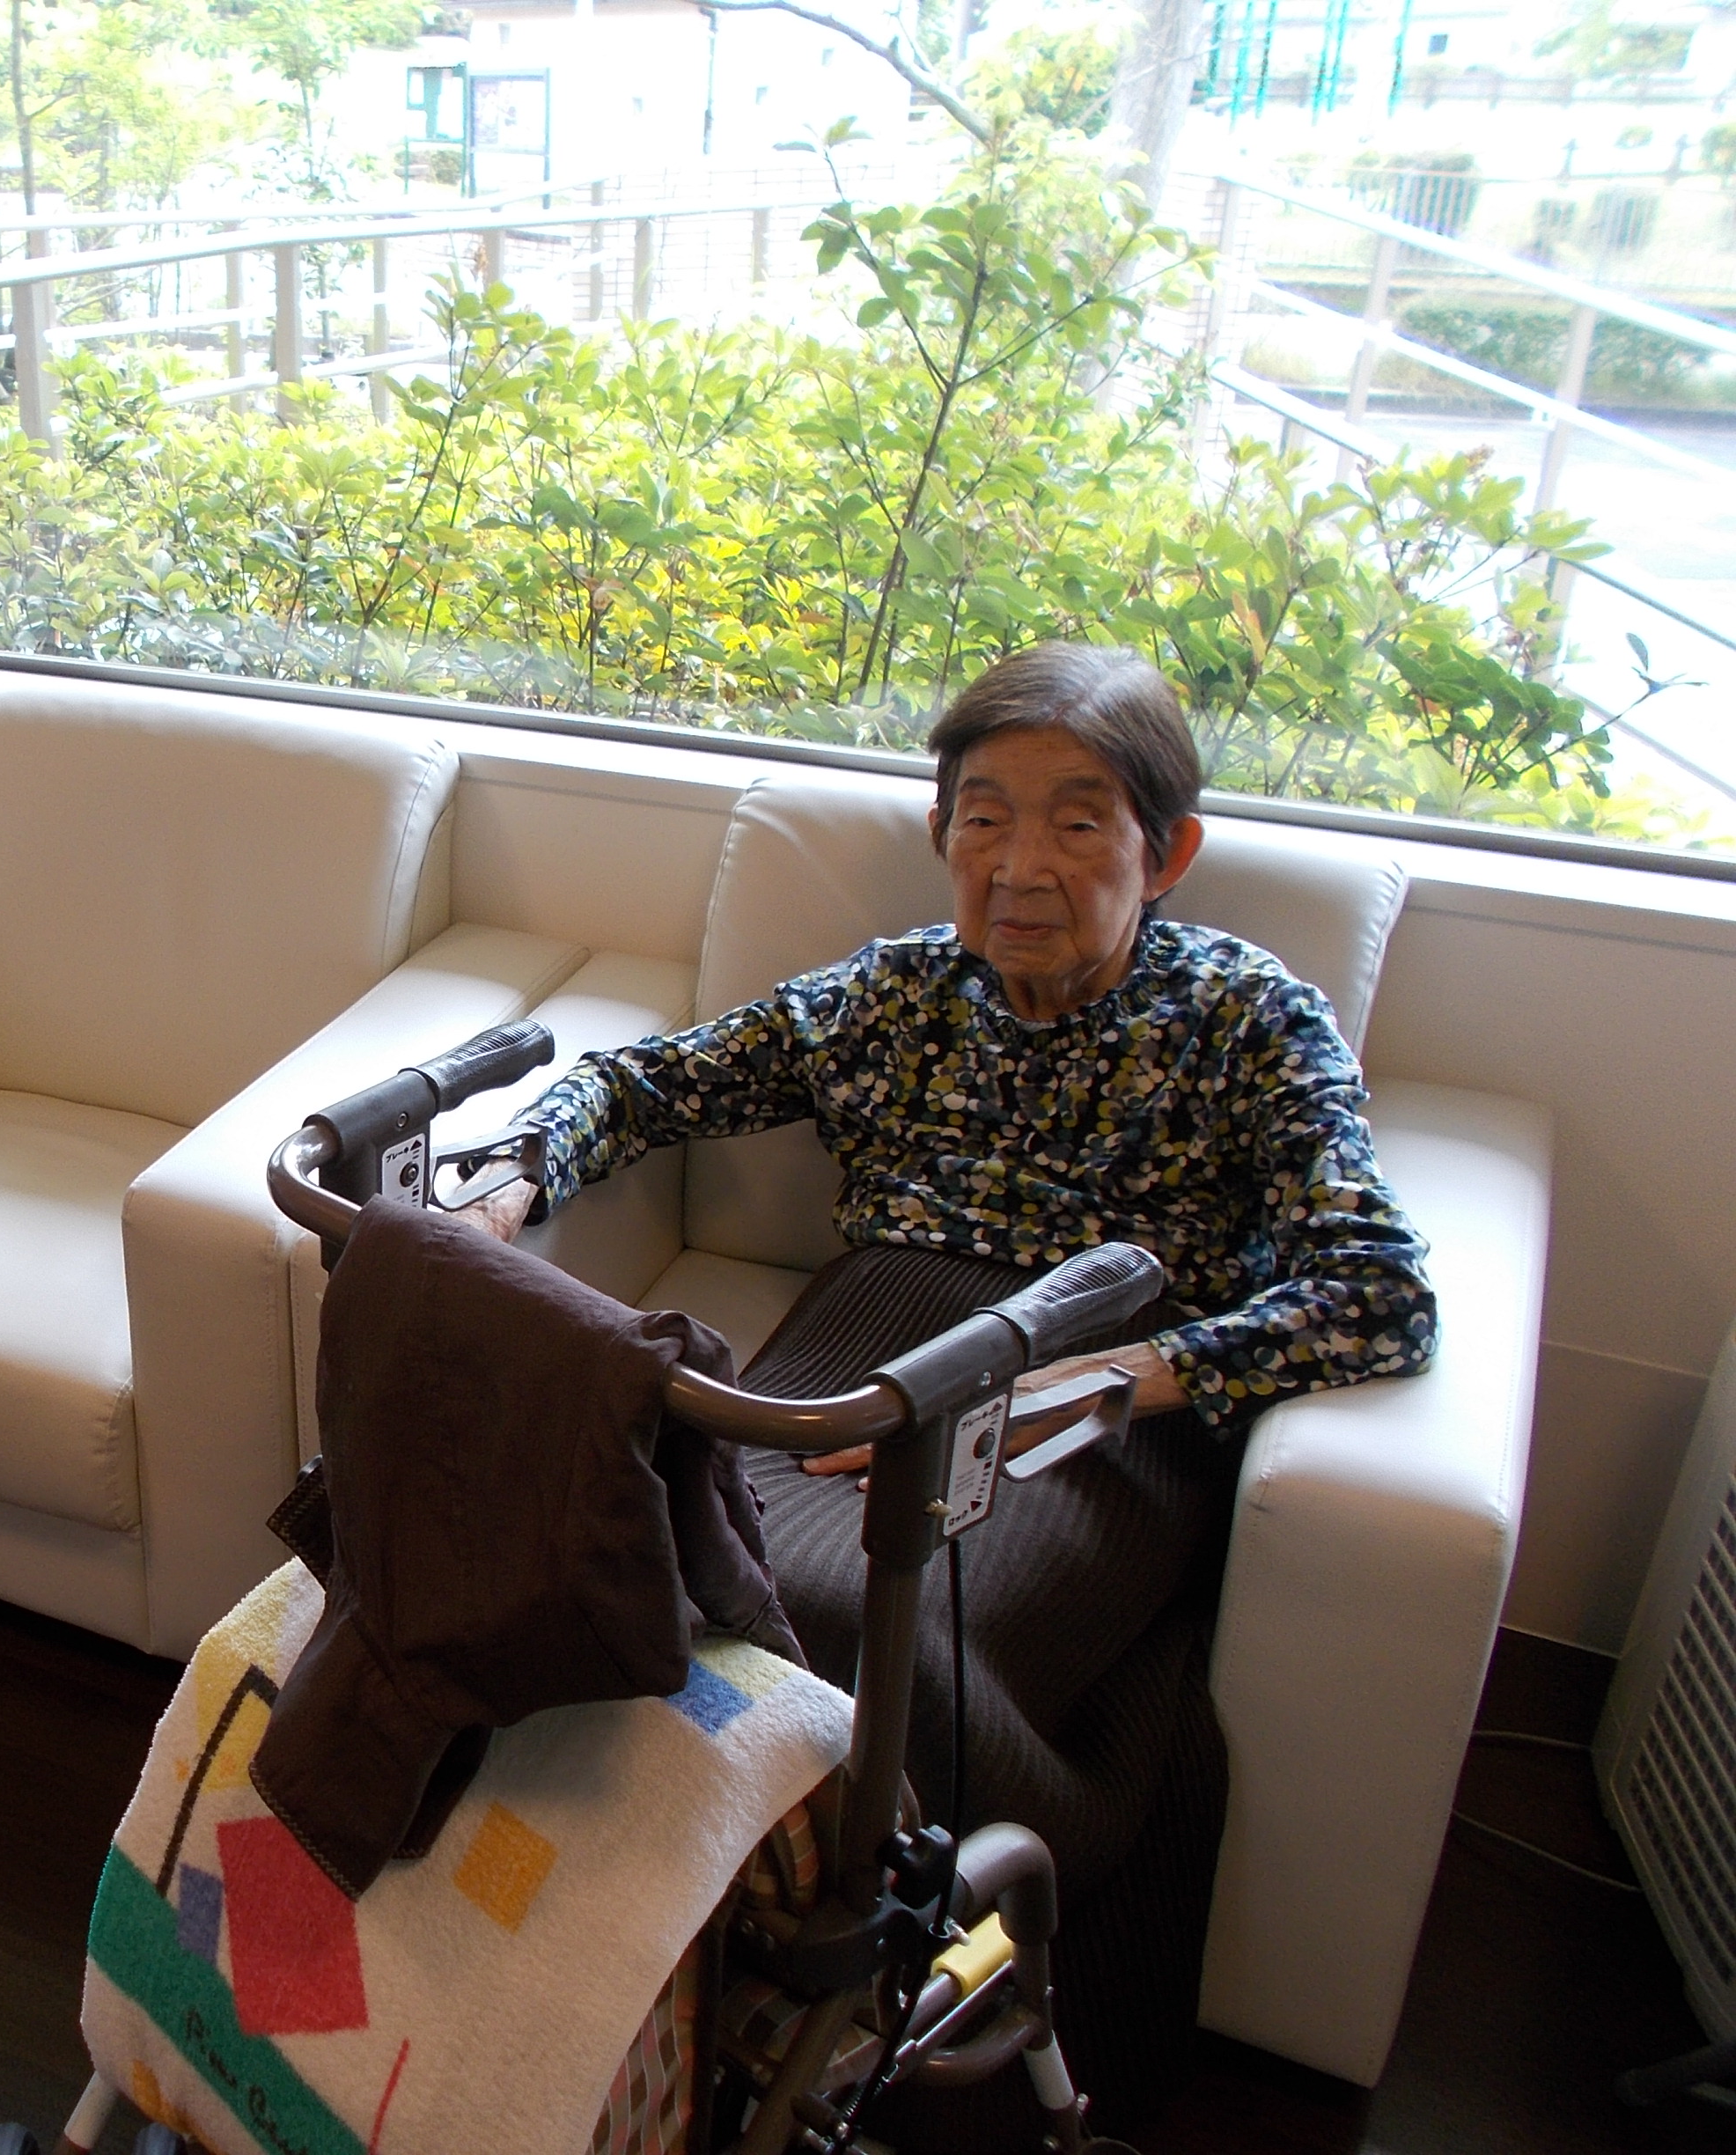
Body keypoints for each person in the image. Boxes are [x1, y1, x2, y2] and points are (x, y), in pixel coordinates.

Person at [465, 640, 1436, 2129]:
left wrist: (1093, 1384)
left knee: (853, 1608)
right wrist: (516, 1178)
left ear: (1167, 851)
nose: (1020, 866)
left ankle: (875, 1997)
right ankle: (644, 1968)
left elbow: (1378, 1294)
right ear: (942, 835)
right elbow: (648, 1079)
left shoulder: (1248, 1019)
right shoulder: (902, 993)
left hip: (1097, 1412)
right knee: (645, 1548)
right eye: (984, 818)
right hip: (865, 1351)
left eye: (1078, 820)